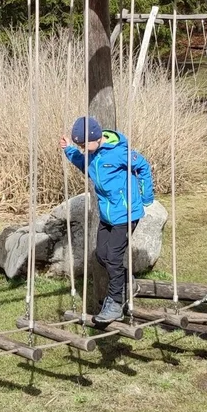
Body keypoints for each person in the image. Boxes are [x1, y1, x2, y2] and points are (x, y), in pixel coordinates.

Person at [64, 117, 155, 326]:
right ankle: (127, 282)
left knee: (113, 257)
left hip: (126, 213)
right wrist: (69, 150)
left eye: (84, 144)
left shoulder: (119, 152)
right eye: (80, 145)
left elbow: (143, 166)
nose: (82, 149)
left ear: (97, 138)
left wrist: (146, 196)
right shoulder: (92, 154)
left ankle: (115, 304)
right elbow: (83, 164)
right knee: (102, 255)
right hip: (108, 215)